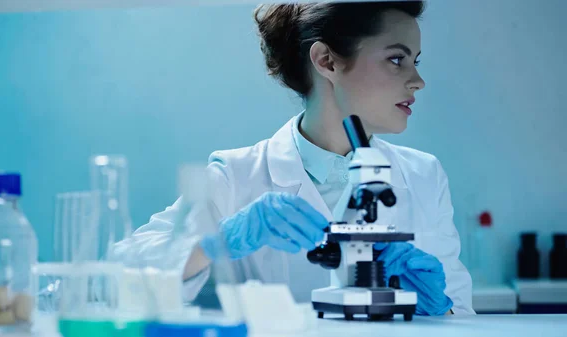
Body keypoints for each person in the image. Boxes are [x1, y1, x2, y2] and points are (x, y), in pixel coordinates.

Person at [116, 1, 474, 316]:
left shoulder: (424, 174)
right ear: (327, 61)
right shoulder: (237, 175)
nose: (418, 81)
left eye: (415, 61)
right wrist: (215, 242)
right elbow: (116, 279)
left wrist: (440, 305)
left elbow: (463, 313)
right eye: (397, 59)